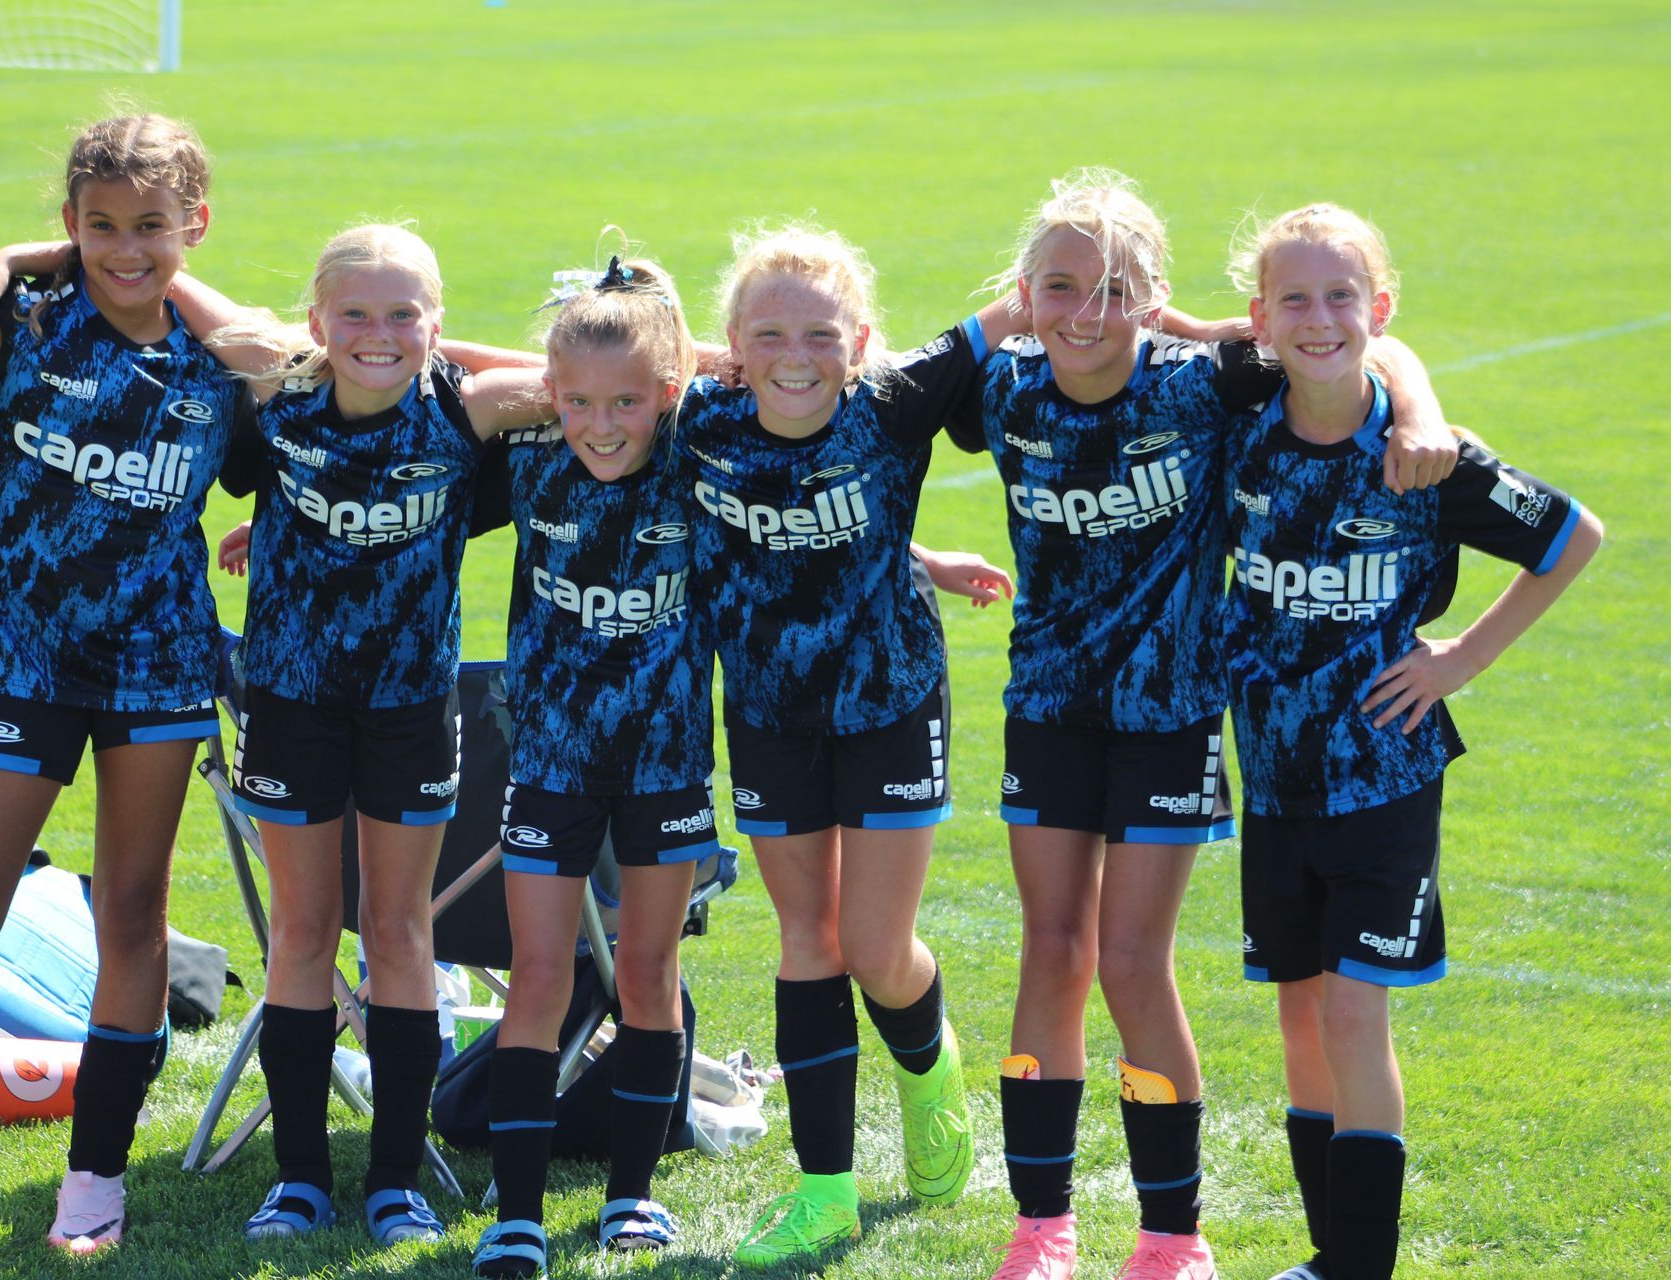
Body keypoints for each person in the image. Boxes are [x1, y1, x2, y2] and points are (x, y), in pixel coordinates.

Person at [944, 171, 1458, 1280]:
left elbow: (1353, 338)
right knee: (1051, 950)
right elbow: (864, 389)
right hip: (1046, 709)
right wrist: (1017, 307)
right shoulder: (1000, 391)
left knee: (1133, 961)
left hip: (1174, 717)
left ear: (1158, 297)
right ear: (1025, 295)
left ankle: (1172, 1235)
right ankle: (1042, 1228)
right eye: (1060, 287)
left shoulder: (1206, 382)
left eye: (1115, 288)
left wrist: (1416, 407)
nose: (1085, 311)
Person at [0, 113, 251, 1275]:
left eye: (154, 227)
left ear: (195, 227)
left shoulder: (224, 354)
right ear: (68, 224)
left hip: (161, 664)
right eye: (102, 226)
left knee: (134, 916)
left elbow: (360, 385)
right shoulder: (9, 318)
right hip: (21, 667)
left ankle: (94, 1180)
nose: (128, 249)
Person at [1221, 204, 1600, 1280]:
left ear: (1379, 309)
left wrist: (1459, 662)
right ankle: (1328, 1250)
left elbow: (1573, 538)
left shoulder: (1426, 458)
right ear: (1261, 318)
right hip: (1275, 778)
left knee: (1351, 1009)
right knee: (1298, 1009)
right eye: (1293, 298)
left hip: (1386, 778)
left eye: (1342, 296)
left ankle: (1363, 1265)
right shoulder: (1239, 425)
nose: (1319, 317)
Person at [194, 223, 549, 1247]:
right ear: (316, 321)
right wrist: (14, 262)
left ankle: (395, 1178)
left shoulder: (464, 406)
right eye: (355, 312)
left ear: (437, 327)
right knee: (302, 935)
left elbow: (604, 373)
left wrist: (727, 358)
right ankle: (299, 1176)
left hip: (407, 712)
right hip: (291, 706)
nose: (378, 334)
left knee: (397, 934)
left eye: (405, 315)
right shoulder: (281, 390)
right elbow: (168, 279)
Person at [676, 224, 1023, 1270]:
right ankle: (824, 1186)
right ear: (730, 345)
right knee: (806, 940)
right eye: (770, 332)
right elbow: (568, 368)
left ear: (861, 339)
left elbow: (1019, 309)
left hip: (891, 703)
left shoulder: (896, 402)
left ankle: (929, 1073)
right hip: (772, 714)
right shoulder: (703, 417)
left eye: (821, 333)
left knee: (877, 947)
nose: (797, 353)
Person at [459, 254, 713, 1278]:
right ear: (548, 396)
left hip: (667, 766)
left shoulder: (696, 457)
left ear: (665, 394)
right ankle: (516, 1215)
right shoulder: (528, 460)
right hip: (551, 767)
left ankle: (631, 1200)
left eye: (626, 402)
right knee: (538, 975)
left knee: (649, 975)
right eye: (576, 403)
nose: (601, 425)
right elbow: (440, 391)